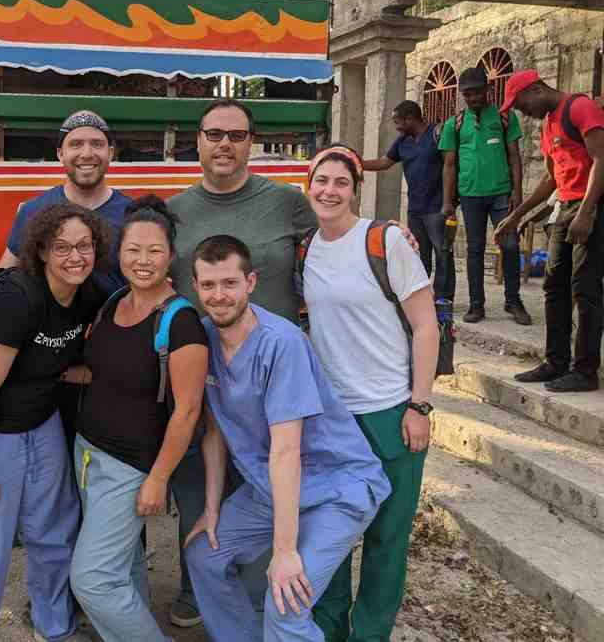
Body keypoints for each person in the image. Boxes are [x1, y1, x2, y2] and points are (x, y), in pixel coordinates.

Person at [182, 234, 391, 642]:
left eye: (229, 283)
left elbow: (286, 450)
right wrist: (211, 509)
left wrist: (284, 551)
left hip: (335, 488)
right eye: (208, 285)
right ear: (196, 287)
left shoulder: (281, 342)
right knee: (204, 555)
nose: (219, 295)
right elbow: (214, 432)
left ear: (251, 282)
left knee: (285, 601)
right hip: (271, 488)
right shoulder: (203, 338)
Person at [164, 98, 317, 627]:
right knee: (195, 481)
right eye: (214, 134)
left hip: (273, 374)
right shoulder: (175, 211)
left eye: (236, 134)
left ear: (252, 142)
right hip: (199, 373)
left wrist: (389, 234)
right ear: (198, 141)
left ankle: (257, 595)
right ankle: (197, 585)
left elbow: (333, 237)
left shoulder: (287, 202)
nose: (224, 144)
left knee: (267, 482)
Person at [0, 203, 106, 642]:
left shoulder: (88, 294)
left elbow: (58, 365)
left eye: (84, 246)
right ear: (42, 251)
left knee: (55, 532)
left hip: (41, 421)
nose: (75, 257)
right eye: (62, 247)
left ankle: (55, 626)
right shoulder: (18, 299)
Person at [300, 147, 439, 642]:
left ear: (356, 189)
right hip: (330, 416)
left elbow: (426, 326)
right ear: (308, 186)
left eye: (341, 182)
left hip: (390, 411)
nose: (329, 191)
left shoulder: (385, 241)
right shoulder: (305, 248)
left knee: (387, 538)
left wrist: (419, 405)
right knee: (329, 536)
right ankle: (328, 629)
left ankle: (371, 634)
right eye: (321, 180)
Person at [70, 195, 208, 642]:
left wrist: (158, 478)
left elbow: (187, 411)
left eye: (154, 251)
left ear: (171, 256)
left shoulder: (181, 323)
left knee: (93, 578)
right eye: (133, 250)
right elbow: (103, 371)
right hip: (89, 454)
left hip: (131, 467)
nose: (142, 260)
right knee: (123, 569)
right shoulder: (113, 302)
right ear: (119, 253)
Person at [495, 70, 604, 393]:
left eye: (521, 104)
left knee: (585, 288)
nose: (523, 112)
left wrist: (586, 212)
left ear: (536, 89)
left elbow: (602, 158)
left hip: (594, 205)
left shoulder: (580, 108)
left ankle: (585, 371)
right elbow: (552, 178)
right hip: (565, 206)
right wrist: (517, 215)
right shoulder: (548, 124)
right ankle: (556, 361)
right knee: (554, 286)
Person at [0, 110, 131, 297]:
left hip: (114, 315)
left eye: (96, 144)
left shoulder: (132, 215)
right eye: (76, 144)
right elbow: (2, 281)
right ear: (60, 153)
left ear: (110, 153)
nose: (86, 153)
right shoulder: (33, 211)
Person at [439, 66, 532, 325]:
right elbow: (449, 164)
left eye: (477, 92)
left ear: (488, 90)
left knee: (510, 245)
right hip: (470, 194)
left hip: (502, 194)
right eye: (467, 94)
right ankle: (476, 305)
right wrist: (447, 200)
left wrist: (517, 191)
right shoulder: (455, 123)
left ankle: (513, 301)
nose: (473, 98)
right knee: (475, 249)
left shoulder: (504, 117)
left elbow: (514, 157)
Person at [363, 100, 455, 302]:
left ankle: (444, 298)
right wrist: (357, 164)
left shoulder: (436, 135)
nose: (396, 127)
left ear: (410, 119)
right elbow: (384, 162)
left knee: (443, 254)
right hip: (415, 208)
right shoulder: (402, 141)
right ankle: (422, 296)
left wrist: (448, 203)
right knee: (418, 255)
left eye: (398, 122)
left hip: (437, 208)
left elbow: (450, 166)